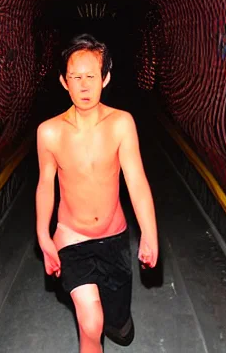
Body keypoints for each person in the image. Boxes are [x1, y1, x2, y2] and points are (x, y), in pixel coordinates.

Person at [36, 33, 158, 353]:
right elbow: (46, 184)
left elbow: (137, 181)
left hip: (114, 238)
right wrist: (43, 235)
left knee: (118, 328)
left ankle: (120, 320)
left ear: (105, 78)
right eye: (76, 77)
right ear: (64, 81)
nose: (84, 85)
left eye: (91, 76)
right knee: (90, 322)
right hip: (72, 239)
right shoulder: (49, 132)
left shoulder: (121, 124)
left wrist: (149, 233)